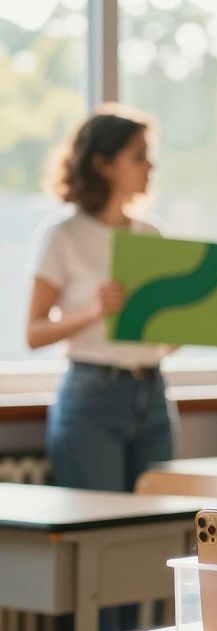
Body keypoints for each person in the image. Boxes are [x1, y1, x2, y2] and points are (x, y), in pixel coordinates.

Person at [27, 107, 177, 492]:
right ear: (104, 164)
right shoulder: (64, 234)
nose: (151, 166)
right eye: (139, 156)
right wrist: (94, 311)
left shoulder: (152, 235)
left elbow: (162, 341)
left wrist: (207, 316)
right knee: (99, 518)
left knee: (157, 517)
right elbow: (34, 333)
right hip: (92, 394)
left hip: (153, 392)